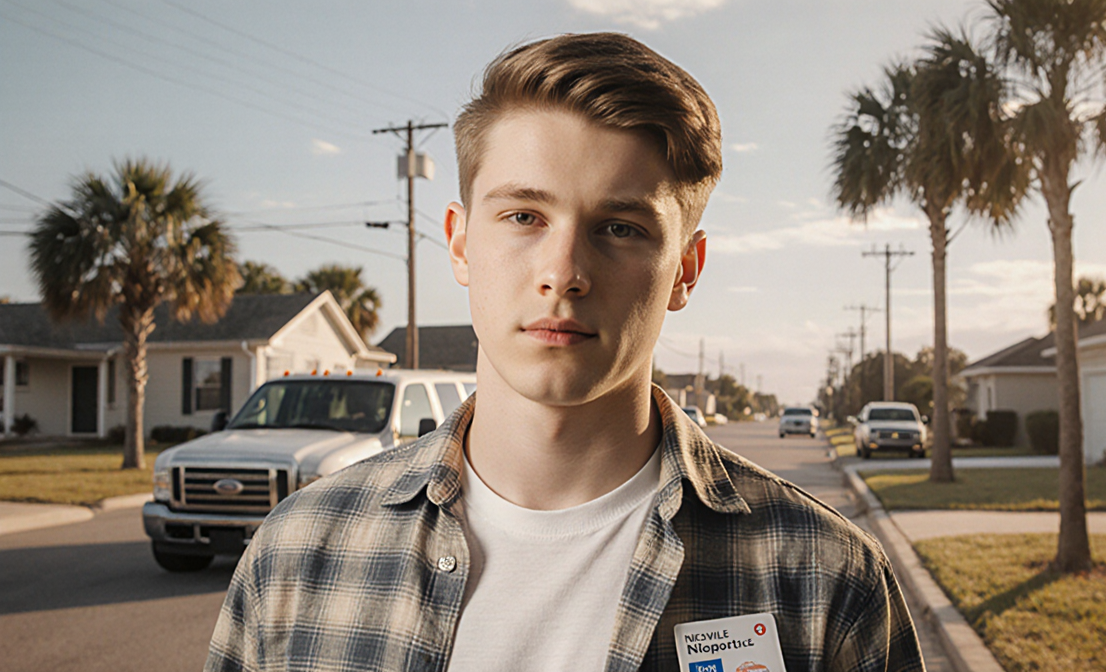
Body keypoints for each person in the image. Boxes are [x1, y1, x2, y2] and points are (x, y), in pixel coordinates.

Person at [206, 32, 925, 672]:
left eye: (619, 228)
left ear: (686, 270)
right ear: (460, 242)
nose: (564, 271)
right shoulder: (297, 553)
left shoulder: (826, 581)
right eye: (524, 215)